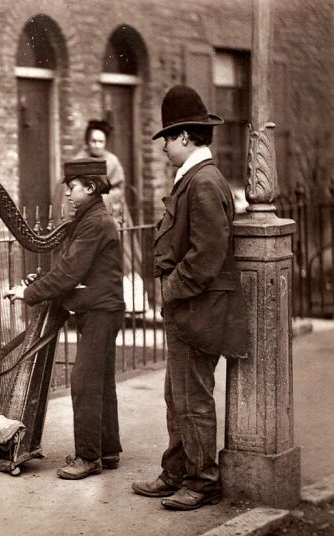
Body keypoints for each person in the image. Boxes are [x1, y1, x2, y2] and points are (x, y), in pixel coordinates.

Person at [131, 85, 248, 510]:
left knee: (192, 399)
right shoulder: (195, 179)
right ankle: (176, 471)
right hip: (190, 309)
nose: (162, 146)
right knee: (176, 395)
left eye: (166, 137)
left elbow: (207, 255)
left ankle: (202, 481)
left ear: (185, 137)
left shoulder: (202, 182)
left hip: (199, 310)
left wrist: (169, 290)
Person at [5, 158, 125, 480]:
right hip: (100, 309)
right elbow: (70, 267)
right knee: (100, 381)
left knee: (84, 383)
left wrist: (28, 294)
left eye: (71, 187)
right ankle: (108, 450)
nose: (68, 194)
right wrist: (40, 281)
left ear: (89, 187)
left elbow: (70, 272)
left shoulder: (95, 222)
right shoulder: (89, 219)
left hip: (100, 311)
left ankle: (88, 457)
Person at [79, 119, 145, 312]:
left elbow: (118, 190)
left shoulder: (112, 161)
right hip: (87, 216)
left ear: (105, 142)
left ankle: (129, 304)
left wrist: (99, 200)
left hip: (112, 214)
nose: (97, 145)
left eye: (101, 141)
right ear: (88, 141)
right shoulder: (80, 159)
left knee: (122, 254)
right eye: (93, 141)